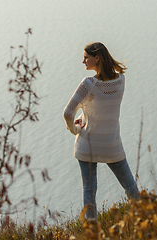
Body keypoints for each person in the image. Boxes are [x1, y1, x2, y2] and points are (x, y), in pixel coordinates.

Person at [63, 42, 139, 219]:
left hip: (87, 146)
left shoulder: (88, 83)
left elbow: (67, 112)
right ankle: (145, 222)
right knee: (130, 187)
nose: (83, 61)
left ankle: (92, 232)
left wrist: (75, 129)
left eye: (86, 57)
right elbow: (103, 108)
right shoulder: (121, 80)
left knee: (89, 192)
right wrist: (85, 115)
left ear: (97, 57)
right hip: (112, 144)